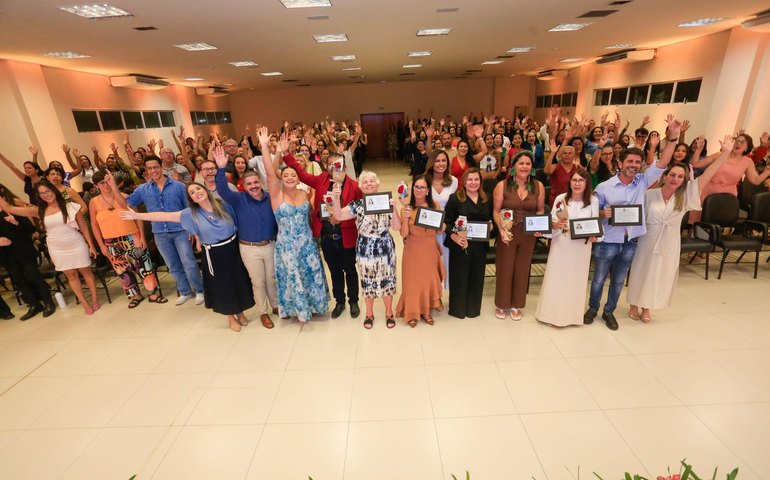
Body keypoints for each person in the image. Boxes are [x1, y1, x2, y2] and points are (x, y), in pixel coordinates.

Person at [586, 114, 681, 330]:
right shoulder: (604, 187)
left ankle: (609, 311)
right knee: (599, 279)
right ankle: (593, 308)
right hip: (608, 239)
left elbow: (664, 161)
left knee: (619, 281)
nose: (634, 165)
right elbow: (593, 213)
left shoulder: (643, 181)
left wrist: (673, 137)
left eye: (638, 162)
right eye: (630, 161)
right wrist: (604, 214)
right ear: (620, 163)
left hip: (631, 240)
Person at [120, 182, 255, 332]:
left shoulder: (222, 205)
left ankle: (240, 312)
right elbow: (164, 215)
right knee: (222, 287)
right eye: (192, 192)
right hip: (214, 254)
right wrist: (136, 215)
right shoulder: (190, 213)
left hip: (232, 249)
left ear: (205, 190)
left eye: (198, 188)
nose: (197, 192)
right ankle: (231, 317)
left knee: (238, 282)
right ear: (191, 199)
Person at [627, 135, 732, 323]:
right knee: (640, 270)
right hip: (647, 239)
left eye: (680, 176)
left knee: (659, 273)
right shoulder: (649, 194)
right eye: (672, 175)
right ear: (665, 176)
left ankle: (647, 307)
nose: (675, 179)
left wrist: (724, 154)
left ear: (685, 180)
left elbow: (707, 175)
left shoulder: (686, 195)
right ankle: (634, 303)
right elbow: (633, 216)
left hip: (669, 241)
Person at [282, 135, 362, 319]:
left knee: (350, 270)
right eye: (332, 164)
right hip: (327, 237)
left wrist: (342, 220)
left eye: (339, 164)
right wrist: (287, 154)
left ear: (344, 165)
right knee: (334, 271)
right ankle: (340, 301)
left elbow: (359, 211)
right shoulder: (321, 181)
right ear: (327, 166)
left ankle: (353, 301)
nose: (336, 167)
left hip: (347, 236)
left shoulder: (354, 187)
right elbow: (301, 174)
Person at [255, 126, 329, 324]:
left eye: (293, 175)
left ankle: (314, 306)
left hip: (307, 244)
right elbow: (270, 174)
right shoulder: (277, 195)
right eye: (286, 175)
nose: (289, 177)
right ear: (282, 179)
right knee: (293, 277)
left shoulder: (305, 193)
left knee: (310, 276)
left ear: (298, 178)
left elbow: (313, 214)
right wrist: (266, 147)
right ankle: (300, 311)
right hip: (287, 245)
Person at [0, 181, 100, 314]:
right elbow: (9, 209)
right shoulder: (39, 210)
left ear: (53, 190)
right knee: (71, 275)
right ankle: (84, 303)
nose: (46, 195)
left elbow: (83, 228)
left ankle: (94, 300)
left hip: (75, 242)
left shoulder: (70, 206)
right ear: (39, 196)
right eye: (42, 193)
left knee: (86, 272)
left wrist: (91, 246)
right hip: (56, 247)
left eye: (48, 191)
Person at [120, 155, 205, 306]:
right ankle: (185, 292)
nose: (153, 170)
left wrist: (192, 230)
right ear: (146, 170)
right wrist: (114, 188)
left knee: (189, 262)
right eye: (150, 168)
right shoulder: (143, 189)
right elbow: (127, 204)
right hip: (160, 233)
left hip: (180, 231)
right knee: (172, 265)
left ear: (161, 167)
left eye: (156, 167)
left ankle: (199, 290)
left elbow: (188, 209)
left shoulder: (178, 186)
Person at [213, 145, 279, 329]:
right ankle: (263, 312)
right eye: (249, 184)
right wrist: (220, 168)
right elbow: (222, 190)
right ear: (245, 185)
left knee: (272, 279)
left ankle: (276, 306)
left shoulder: (270, 198)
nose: (253, 186)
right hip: (249, 248)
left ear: (260, 182)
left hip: (270, 244)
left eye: (256, 182)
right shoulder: (238, 199)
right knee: (258, 282)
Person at [331, 170, 401, 329]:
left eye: (372, 181)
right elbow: (338, 216)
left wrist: (394, 208)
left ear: (377, 184)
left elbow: (396, 227)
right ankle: (369, 313)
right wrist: (336, 198)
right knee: (368, 281)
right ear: (361, 186)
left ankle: (389, 312)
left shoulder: (386, 202)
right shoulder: (356, 205)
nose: (369, 184)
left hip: (385, 247)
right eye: (365, 182)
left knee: (387, 280)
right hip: (365, 248)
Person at [89, 171, 165, 308]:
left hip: (132, 235)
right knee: (122, 270)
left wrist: (142, 236)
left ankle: (153, 293)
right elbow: (94, 225)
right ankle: (135, 295)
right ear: (96, 185)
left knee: (144, 266)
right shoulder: (93, 203)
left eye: (108, 181)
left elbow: (137, 217)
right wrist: (101, 245)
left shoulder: (124, 197)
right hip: (111, 240)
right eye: (102, 183)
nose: (106, 185)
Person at [534, 168, 599, 327]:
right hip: (561, 244)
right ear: (569, 182)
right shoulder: (561, 198)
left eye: (581, 180)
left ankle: (571, 317)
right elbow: (553, 221)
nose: (577, 184)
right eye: (574, 180)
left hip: (581, 248)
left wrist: (593, 234)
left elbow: (594, 223)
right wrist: (554, 225)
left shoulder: (593, 201)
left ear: (586, 183)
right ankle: (550, 315)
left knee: (575, 280)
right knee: (557, 278)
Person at [492, 151, 545, 320]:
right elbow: (496, 210)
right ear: (514, 166)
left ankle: (517, 304)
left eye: (528, 164)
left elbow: (540, 210)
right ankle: (502, 303)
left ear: (532, 167)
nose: (524, 167)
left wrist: (538, 226)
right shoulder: (502, 185)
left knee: (522, 269)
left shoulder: (538, 186)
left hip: (528, 234)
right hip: (507, 232)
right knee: (505, 267)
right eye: (521, 163)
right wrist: (501, 229)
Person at [396, 175, 445, 327]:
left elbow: (438, 231)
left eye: (422, 187)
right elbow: (403, 234)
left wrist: (442, 227)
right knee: (412, 283)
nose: (419, 190)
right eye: (416, 187)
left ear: (428, 190)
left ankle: (426, 311)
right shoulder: (406, 208)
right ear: (412, 189)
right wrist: (404, 217)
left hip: (429, 249)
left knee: (427, 282)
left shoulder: (435, 206)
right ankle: (411, 312)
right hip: (412, 250)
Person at [688, 132, 770, 223]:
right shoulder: (720, 155)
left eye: (743, 142)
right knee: (697, 221)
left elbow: (755, 180)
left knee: (719, 223)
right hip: (707, 191)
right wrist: (699, 149)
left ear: (747, 147)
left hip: (727, 195)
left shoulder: (747, 162)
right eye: (737, 141)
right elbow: (694, 164)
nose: (738, 143)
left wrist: (767, 171)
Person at [443, 168, 492, 319]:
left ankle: (473, 309)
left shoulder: (486, 199)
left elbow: (490, 221)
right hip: (460, 244)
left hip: (479, 246)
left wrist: (491, 227)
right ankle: (458, 309)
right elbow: (448, 222)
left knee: (476, 276)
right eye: (469, 179)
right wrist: (454, 237)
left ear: (480, 182)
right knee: (460, 276)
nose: (473, 183)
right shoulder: (455, 199)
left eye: (476, 179)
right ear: (463, 182)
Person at [0, 198, 57, 320]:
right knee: (18, 280)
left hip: (24, 250)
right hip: (7, 255)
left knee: (34, 276)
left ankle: (48, 302)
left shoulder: (12, 209)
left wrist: (16, 223)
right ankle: (34, 304)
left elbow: (31, 229)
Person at [425, 150, 458, 291]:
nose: (441, 164)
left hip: (445, 227)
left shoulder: (454, 181)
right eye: (437, 161)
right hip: (428, 228)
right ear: (432, 163)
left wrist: (446, 225)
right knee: (429, 262)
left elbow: (456, 205)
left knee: (445, 260)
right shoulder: (424, 180)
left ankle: (441, 290)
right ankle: (431, 293)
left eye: (443, 160)